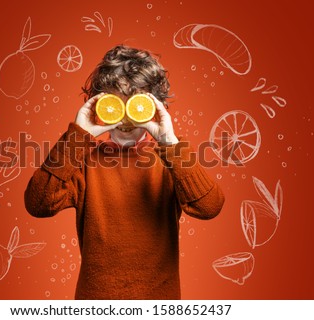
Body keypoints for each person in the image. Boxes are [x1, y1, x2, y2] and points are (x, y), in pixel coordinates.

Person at [24, 45, 225, 299]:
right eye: (115, 102)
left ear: (154, 108)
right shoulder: (83, 161)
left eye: (136, 103)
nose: (126, 119)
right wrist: (75, 139)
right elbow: (38, 203)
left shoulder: (170, 159)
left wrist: (169, 142)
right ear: (100, 106)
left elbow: (209, 207)